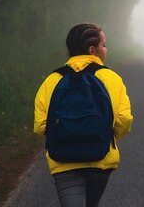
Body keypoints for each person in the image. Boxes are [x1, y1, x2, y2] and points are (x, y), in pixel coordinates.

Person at [34, 23, 133, 207]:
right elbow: (123, 120)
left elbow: (40, 125)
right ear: (92, 50)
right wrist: (104, 134)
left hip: (63, 162)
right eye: (104, 45)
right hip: (100, 160)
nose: (106, 49)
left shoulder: (52, 80)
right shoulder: (111, 78)